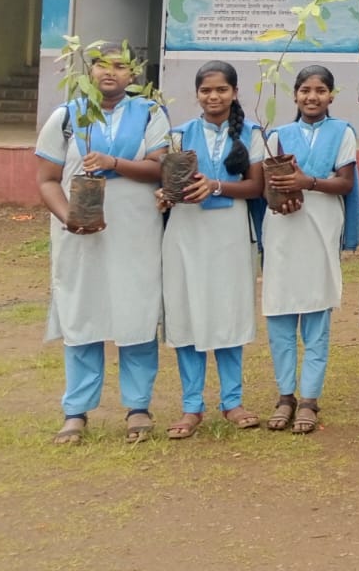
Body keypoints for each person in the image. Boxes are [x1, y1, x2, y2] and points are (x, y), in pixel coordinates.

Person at [35, 45, 169, 445]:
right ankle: (76, 411)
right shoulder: (66, 116)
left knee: (137, 311)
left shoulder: (150, 113)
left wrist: (112, 163)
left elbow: (158, 167)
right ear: (88, 71)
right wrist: (69, 218)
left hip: (136, 232)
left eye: (120, 66)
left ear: (133, 75)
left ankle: (138, 406)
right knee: (82, 311)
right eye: (101, 65)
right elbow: (47, 180)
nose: (110, 72)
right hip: (81, 236)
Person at [161, 61, 267, 440]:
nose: (213, 96)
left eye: (221, 89)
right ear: (197, 94)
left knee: (228, 312)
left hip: (230, 232)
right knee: (186, 312)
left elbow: (256, 187)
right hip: (185, 233)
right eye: (206, 90)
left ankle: (232, 401)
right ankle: (192, 406)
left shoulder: (251, 133)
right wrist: (164, 195)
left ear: (235, 93)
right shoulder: (178, 136)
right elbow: (169, 184)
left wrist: (217, 186)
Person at [258, 65, 358, 436]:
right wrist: (280, 199)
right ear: (295, 94)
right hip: (283, 227)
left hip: (321, 226)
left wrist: (308, 182)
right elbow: (266, 186)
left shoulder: (342, 131)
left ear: (331, 95)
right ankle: (285, 396)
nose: (312, 97)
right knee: (280, 312)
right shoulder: (277, 136)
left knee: (316, 312)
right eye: (305, 90)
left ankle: (310, 399)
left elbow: (345, 183)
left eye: (320, 90)